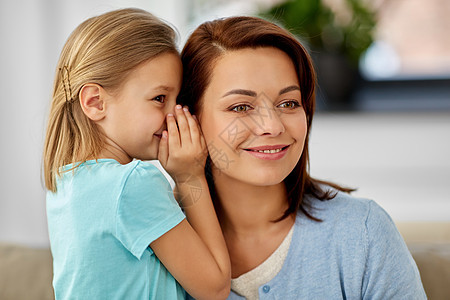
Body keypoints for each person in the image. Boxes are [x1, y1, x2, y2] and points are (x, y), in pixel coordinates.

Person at [179, 16, 427, 299]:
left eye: (288, 103)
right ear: (187, 118)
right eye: (241, 107)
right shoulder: (154, 237)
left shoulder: (363, 233)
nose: (272, 126)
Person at [42, 8, 230, 299]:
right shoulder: (134, 184)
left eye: (177, 100)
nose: (174, 116)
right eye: (159, 99)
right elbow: (215, 288)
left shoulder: (66, 182)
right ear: (95, 102)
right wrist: (191, 175)